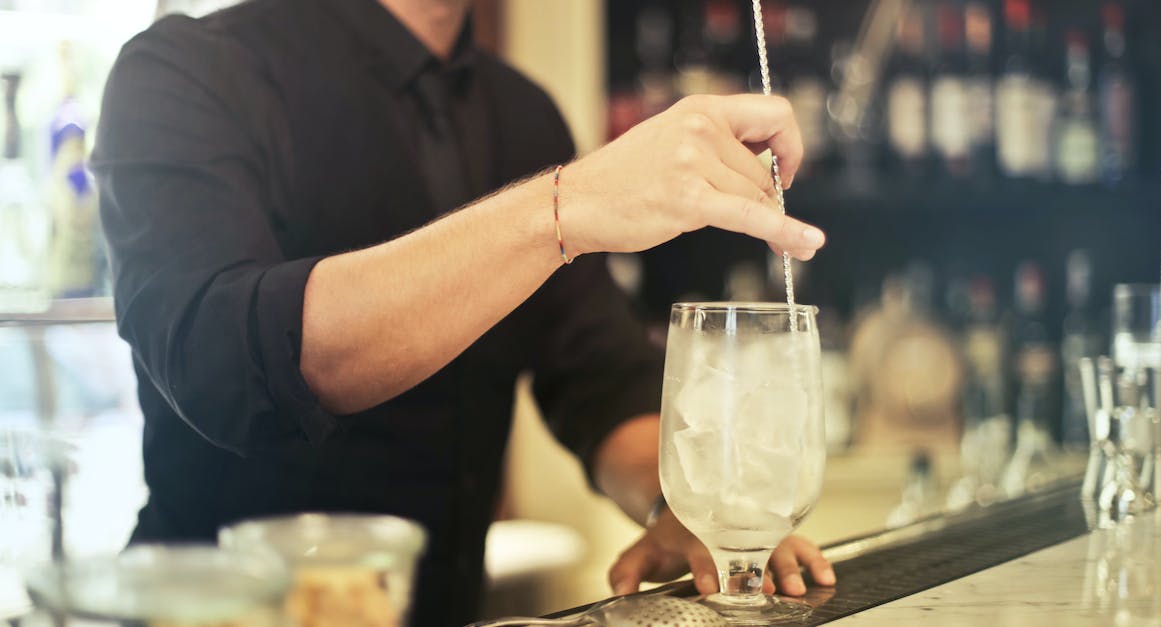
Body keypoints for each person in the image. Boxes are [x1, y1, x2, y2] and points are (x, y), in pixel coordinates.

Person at [92, 0, 834, 624]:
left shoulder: (523, 114)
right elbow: (225, 356)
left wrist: (684, 509)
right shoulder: (185, 70)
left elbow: (596, 374)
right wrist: (564, 207)